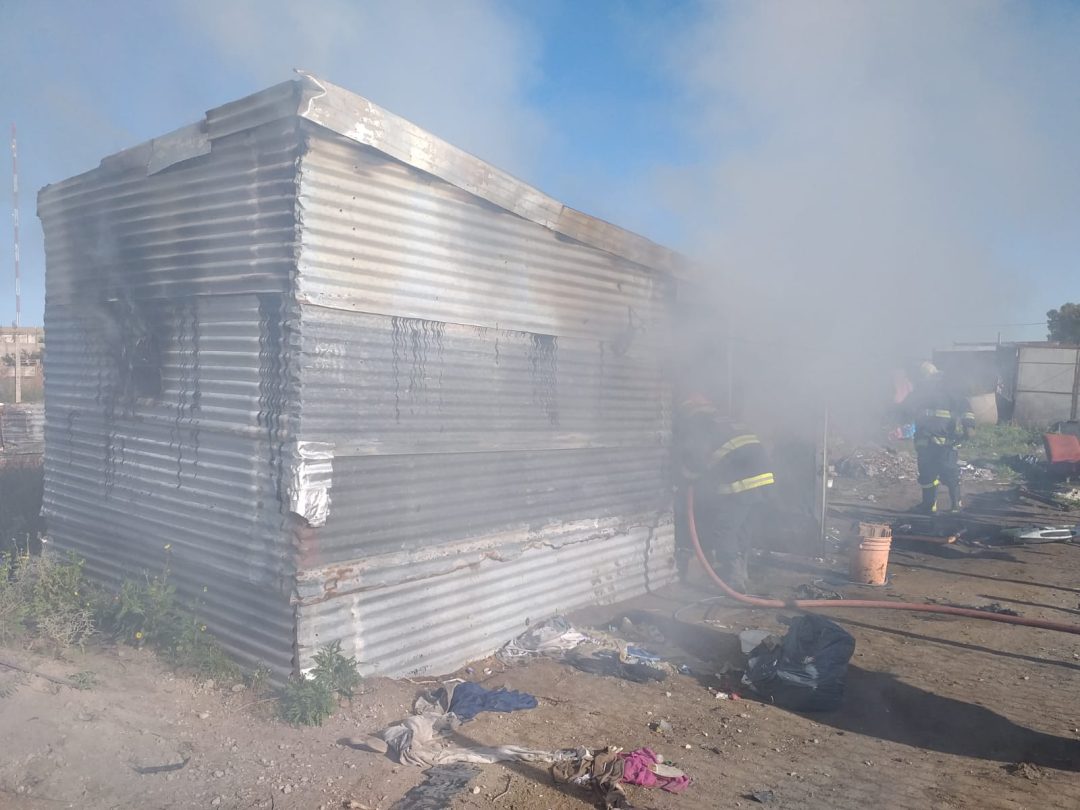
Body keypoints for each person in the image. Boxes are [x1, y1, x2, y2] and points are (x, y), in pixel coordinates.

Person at [675, 393, 775, 591]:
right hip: (764, 479)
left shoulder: (700, 425)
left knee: (724, 531)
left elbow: (698, 459)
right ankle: (742, 573)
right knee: (742, 530)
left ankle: (734, 581)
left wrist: (685, 477)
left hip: (742, 482)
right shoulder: (726, 420)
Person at [903, 362, 975, 514]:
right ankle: (929, 505)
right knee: (927, 475)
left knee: (949, 473)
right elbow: (905, 409)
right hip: (925, 442)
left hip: (945, 443)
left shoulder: (949, 392)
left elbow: (965, 407)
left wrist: (969, 426)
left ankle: (956, 505)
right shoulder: (919, 393)